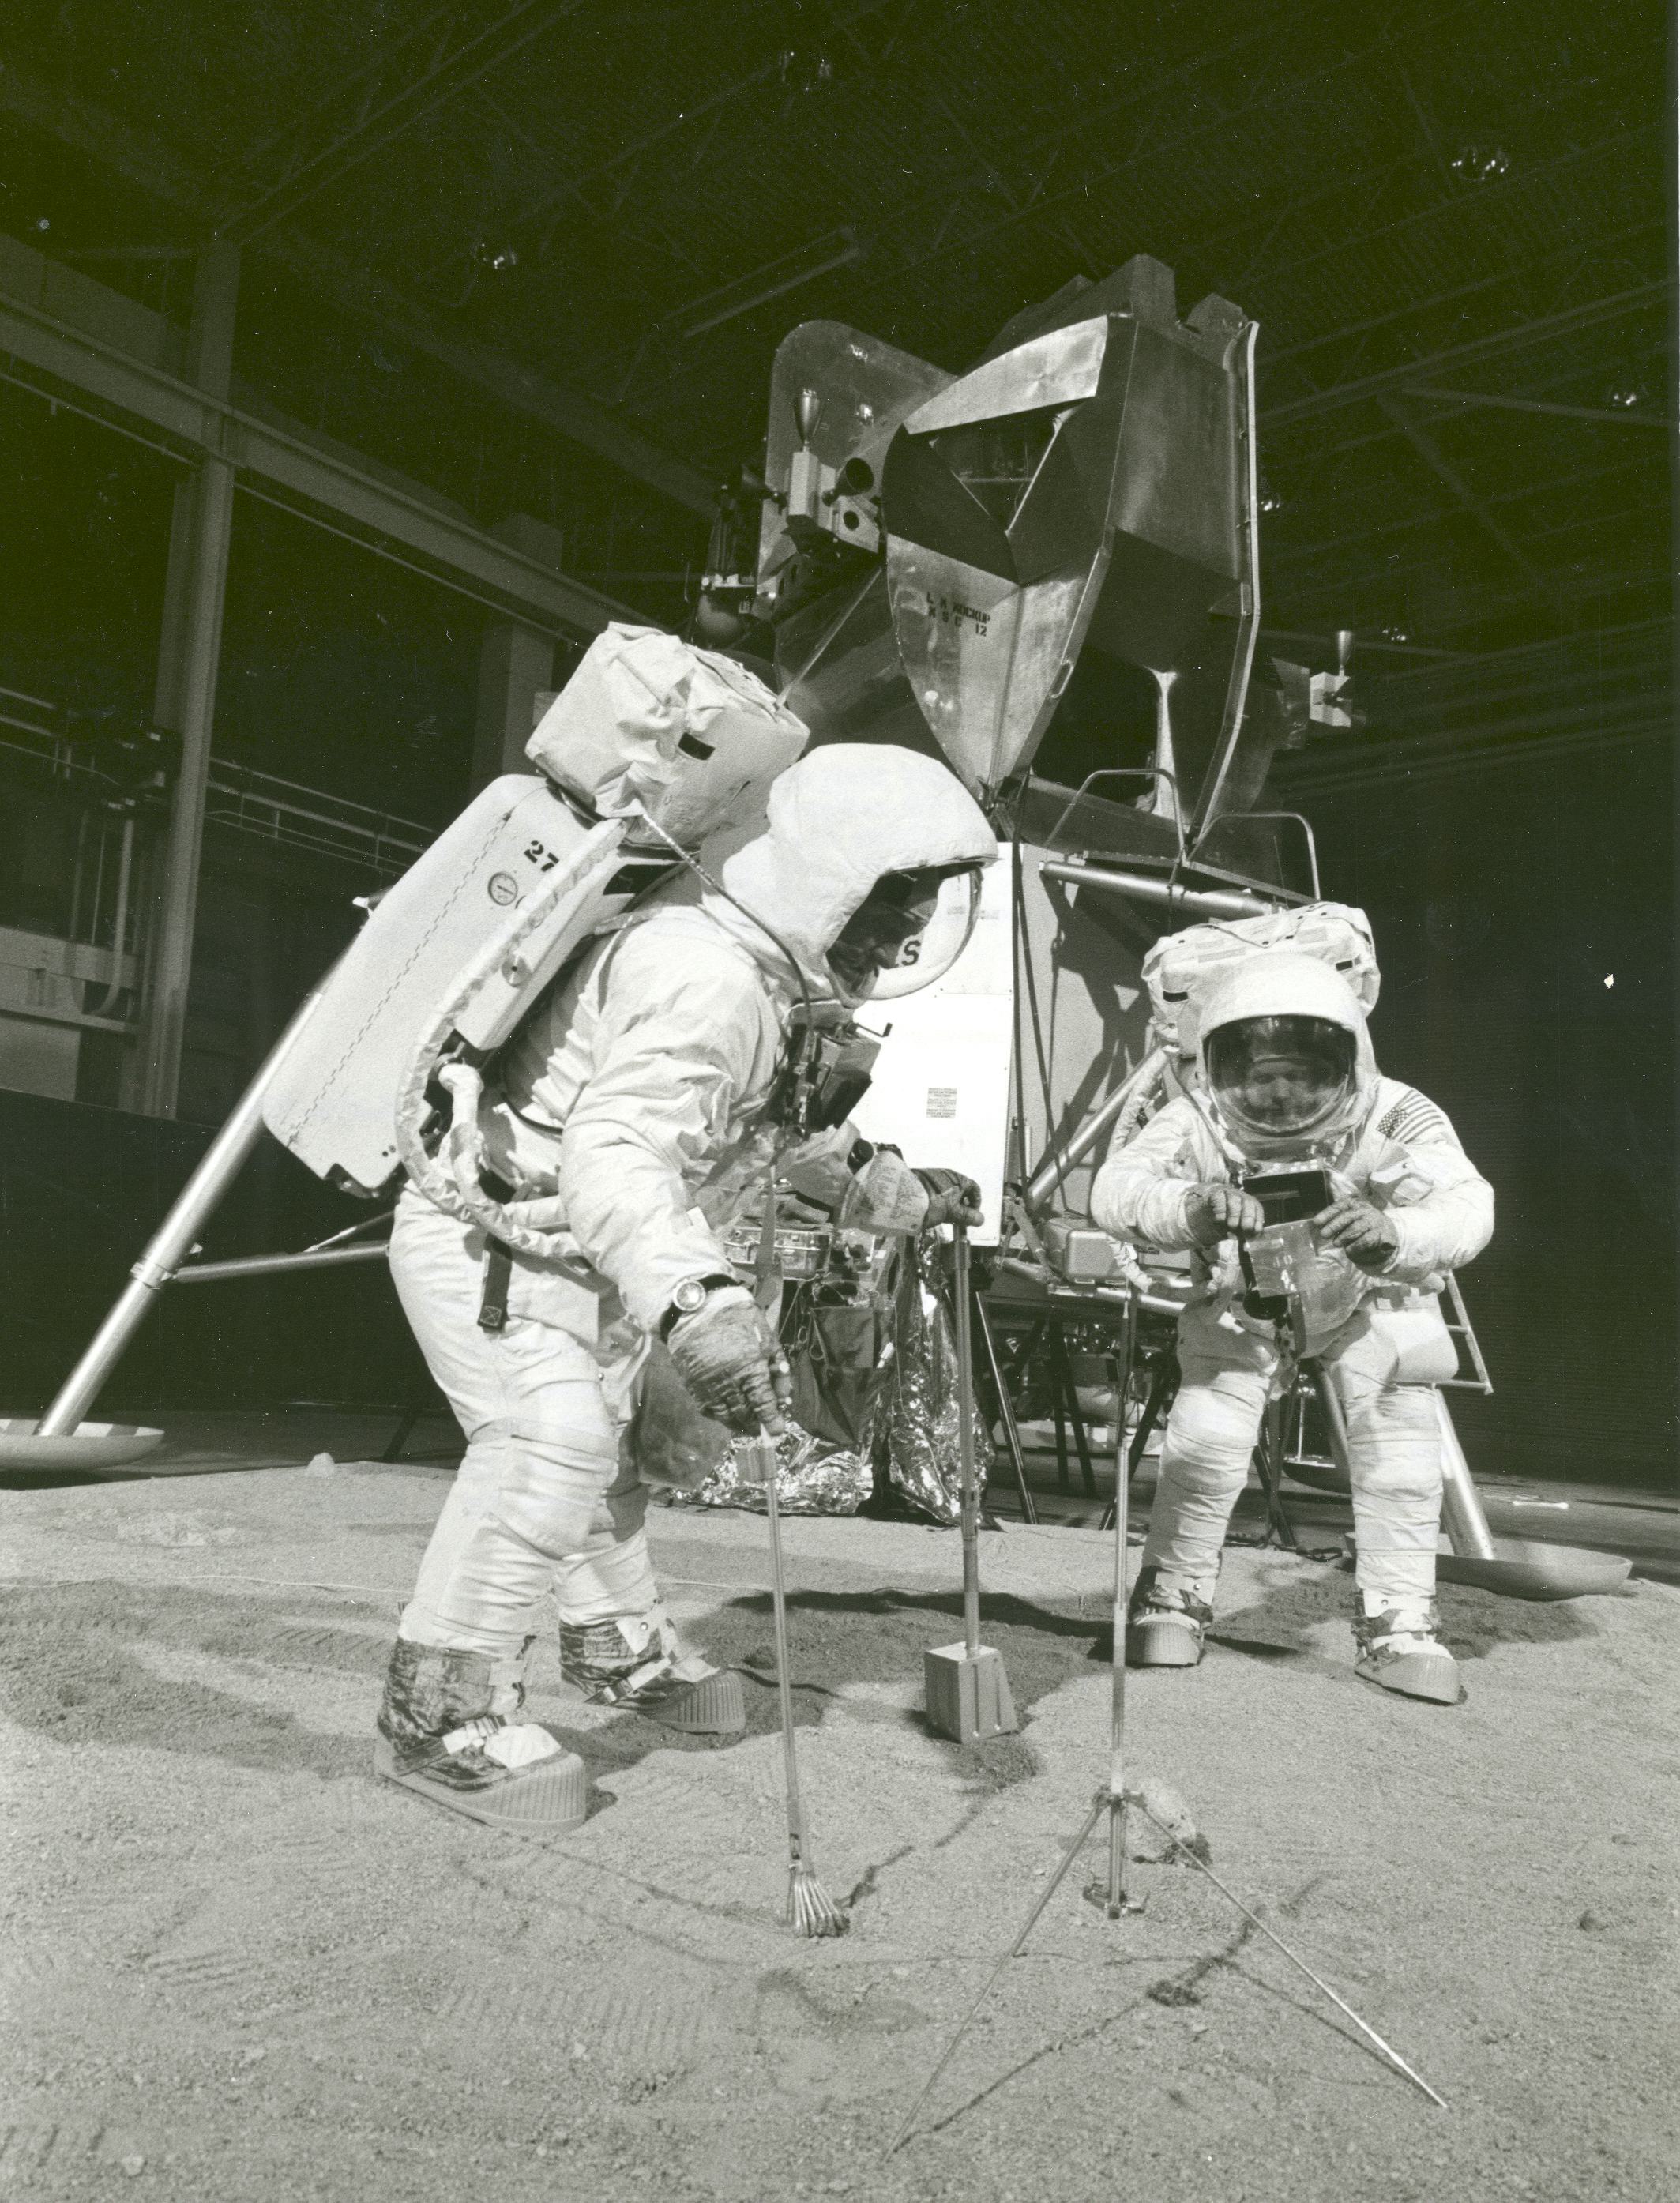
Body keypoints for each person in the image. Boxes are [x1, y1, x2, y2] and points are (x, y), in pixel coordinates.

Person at [375, 742, 997, 1820]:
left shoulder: (763, 976)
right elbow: (615, 1152)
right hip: (498, 1242)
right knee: (547, 1445)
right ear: (825, 876)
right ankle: (439, 1717)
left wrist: (902, 1195)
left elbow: (772, 1132)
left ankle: (617, 1646)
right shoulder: (703, 973)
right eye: (889, 900)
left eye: (918, 904)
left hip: (583, 1257)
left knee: (607, 1461)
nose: (899, 931)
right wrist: (701, 1305)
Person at [1092, 948, 1493, 1705]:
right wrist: (1193, 1208)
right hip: (1244, 1300)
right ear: (1221, 1067)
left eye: (1301, 1075)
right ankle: (1171, 1598)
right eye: (1259, 1075)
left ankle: (1401, 1625)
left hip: (1371, 1298)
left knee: (1400, 1458)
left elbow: (1469, 1203)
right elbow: (1117, 1189)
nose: (1278, 1095)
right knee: (1206, 1446)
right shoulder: (1199, 1117)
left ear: (1342, 1063)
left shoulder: (1392, 1111)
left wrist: (1393, 1233)